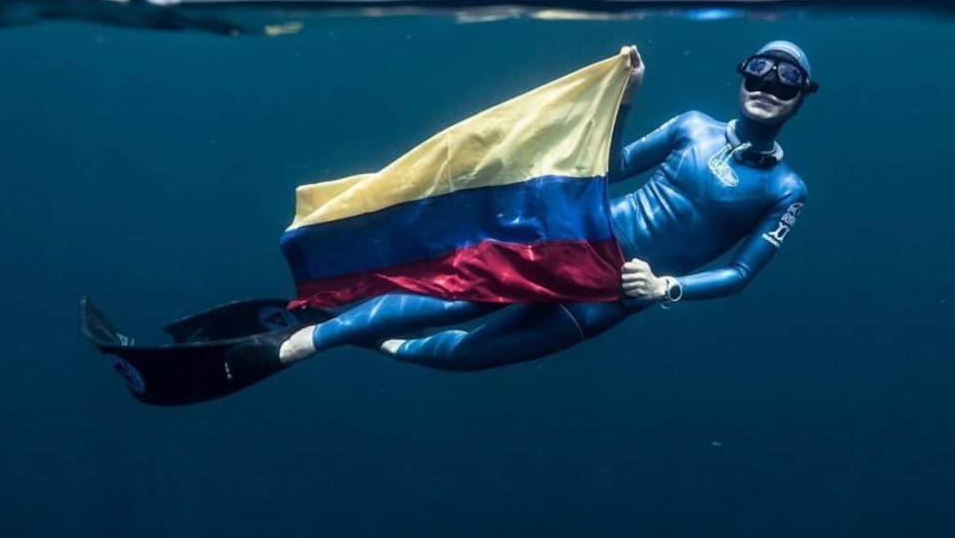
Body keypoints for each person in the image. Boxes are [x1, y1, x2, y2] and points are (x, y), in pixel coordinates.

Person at [263, 40, 816, 372]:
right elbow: (614, 164)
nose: (768, 84)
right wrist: (623, 100)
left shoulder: (786, 190)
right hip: (578, 244)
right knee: (452, 301)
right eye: (758, 71)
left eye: (786, 81)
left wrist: (665, 288)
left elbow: (741, 274)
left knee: (468, 357)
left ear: (801, 96)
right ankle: (308, 340)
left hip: (617, 296)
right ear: (742, 76)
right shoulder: (692, 126)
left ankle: (378, 343)